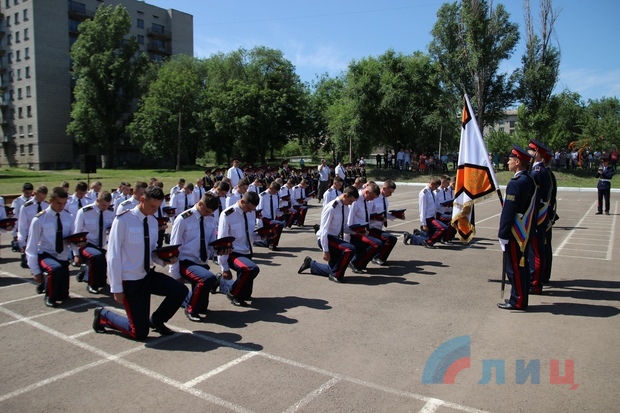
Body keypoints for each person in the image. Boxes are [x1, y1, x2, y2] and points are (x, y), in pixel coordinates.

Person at [93, 186, 188, 339]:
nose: (155, 210)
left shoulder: (151, 221)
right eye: (152, 206)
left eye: (157, 207)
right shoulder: (123, 220)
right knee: (139, 333)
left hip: (147, 275)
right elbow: (113, 255)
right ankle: (103, 315)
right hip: (131, 280)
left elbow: (151, 251)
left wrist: (164, 260)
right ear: (142, 200)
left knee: (180, 291)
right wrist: (116, 287)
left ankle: (157, 320)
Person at [169, 192, 222, 322]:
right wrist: (175, 274)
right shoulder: (183, 219)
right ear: (200, 203)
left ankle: (185, 299)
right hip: (185, 261)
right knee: (207, 279)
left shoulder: (210, 218)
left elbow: (210, 244)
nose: (208, 214)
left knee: (203, 306)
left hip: (201, 262)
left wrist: (219, 250)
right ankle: (191, 309)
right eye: (206, 211)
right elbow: (174, 248)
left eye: (211, 212)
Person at [497, 145, 537, 311]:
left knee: (514, 267)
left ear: (518, 162)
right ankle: (520, 297)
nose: (508, 162)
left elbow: (509, 211)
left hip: (515, 231)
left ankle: (518, 301)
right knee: (522, 265)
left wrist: (502, 233)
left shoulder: (516, 183)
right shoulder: (530, 180)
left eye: (510, 159)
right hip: (525, 231)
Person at [26, 187, 77, 307]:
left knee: (63, 295)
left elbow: (72, 237)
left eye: (64, 203)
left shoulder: (68, 216)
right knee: (55, 269)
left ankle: (47, 285)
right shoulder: (39, 219)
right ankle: (49, 296)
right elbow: (31, 246)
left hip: (62, 256)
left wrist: (77, 247)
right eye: (59, 203)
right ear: (50, 201)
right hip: (46, 254)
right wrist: (35, 271)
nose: (62, 206)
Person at [297, 186, 358, 283]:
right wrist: (325, 251)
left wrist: (356, 232)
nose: (351, 204)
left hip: (335, 239)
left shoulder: (346, 207)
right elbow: (324, 230)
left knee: (333, 268)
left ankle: (311, 264)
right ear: (345, 196)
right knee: (350, 249)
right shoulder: (331, 207)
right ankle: (335, 275)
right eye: (350, 201)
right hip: (326, 239)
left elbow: (343, 227)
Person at [217, 191, 261, 307]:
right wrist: (224, 267)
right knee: (250, 269)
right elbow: (222, 242)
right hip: (233, 252)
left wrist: (262, 236)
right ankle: (233, 293)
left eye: (252, 209)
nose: (251, 211)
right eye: (249, 208)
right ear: (242, 202)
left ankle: (229, 287)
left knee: (246, 292)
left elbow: (250, 233)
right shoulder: (227, 215)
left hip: (247, 250)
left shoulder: (250, 212)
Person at [73, 191, 115, 293]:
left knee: (102, 270)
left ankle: (86, 273)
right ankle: (91, 284)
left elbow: (111, 228)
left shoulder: (110, 212)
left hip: (100, 245)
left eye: (107, 205)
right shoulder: (84, 212)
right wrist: (76, 254)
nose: (105, 207)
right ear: (97, 200)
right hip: (86, 244)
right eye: (103, 205)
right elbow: (77, 233)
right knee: (96, 257)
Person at [527, 139, 552, 294]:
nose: (528, 153)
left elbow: (536, 198)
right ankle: (534, 280)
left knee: (535, 251)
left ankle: (535, 283)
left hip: (537, 217)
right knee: (536, 250)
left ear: (536, 153)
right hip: (539, 216)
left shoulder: (538, 173)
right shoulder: (541, 171)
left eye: (530, 150)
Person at [345, 183, 383, 273]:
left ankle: (360, 263)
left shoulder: (366, 200)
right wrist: (348, 236)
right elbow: (349, 219)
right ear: (367, 192)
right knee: (376, 244)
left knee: (377, 243)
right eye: (372, 197)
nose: (372, 200)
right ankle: (355, 262)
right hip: (355, 232)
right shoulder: (356, 200)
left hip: (363, 230)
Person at [404, 178, 446, 248]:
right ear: (432, 184)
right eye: (435, 187)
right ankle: (428, 243)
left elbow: (434, 205)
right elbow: (422, 209)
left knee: (428, 237)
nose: (436, 189)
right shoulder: (424, 193)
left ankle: (411, 236)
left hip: (432, 216)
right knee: (442, 228)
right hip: (428, 218)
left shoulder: (432, 192)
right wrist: (424, 224)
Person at [368, 179, 399, 265]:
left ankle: (378, 256)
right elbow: (368, 214)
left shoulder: (384, 199)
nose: (390, 195)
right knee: (390, 239)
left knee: (388, 239)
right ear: (384, 188)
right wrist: (378, 218)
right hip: (371, 227)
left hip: (378, 227)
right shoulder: (374, 198)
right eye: (389, 192)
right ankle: (378, 257)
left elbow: (385, 213)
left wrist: (396, 215)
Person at [18, 186, 49, 267]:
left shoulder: (46, 205)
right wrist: (22, 243)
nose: (41, 199)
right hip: (30, 236)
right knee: (30, 262)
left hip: (43, 237)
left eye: (44, 197)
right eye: (40, 197)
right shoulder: (26, 207)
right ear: (34, 194)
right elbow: (22, 225)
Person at [256, 181, 285, 251]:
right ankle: (272, 245)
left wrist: (282, 211)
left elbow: (276, 210)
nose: (275, 193)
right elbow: (259, 210)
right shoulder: (262, 196)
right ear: (270, 188)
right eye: (274, 191)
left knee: (279, 225)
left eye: (277, 191)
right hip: (264, 219)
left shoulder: (276, 196)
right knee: (279, 225)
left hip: (272, 218)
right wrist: (261, 220)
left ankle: (266, 243)